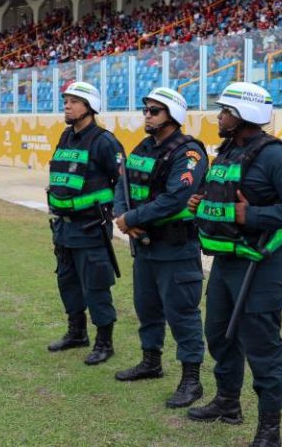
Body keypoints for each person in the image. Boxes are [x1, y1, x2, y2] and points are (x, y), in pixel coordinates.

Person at [186, 83, 282, 447]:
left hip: (261, 266)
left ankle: (269, 428)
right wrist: (202, 202)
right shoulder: (227, 152)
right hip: (226, 263)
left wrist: (253, 214)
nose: (219, 117)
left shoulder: (276, 157)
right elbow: (223, 198)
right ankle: (228, 403)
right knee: (218, 335)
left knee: (262, 347)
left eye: (225, 111)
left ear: (244, 116)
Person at [112, 87, 208, 409]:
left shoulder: (189, 153)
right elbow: (121, 185)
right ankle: (150, 362)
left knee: (182, 314)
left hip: (175, 247)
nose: (147, 116)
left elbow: (175, 199)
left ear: (172, 115)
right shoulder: (142, 147)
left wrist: (131, 218)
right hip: (145, 247)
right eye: (146, 110)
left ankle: (191, 380)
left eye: (154, 111)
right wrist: (121, 215)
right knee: (147, 308)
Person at [46, 81, 124, 366]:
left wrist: (114, 213)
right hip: (64, 228)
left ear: (89, 107)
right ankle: (76, 332)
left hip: (91, 229)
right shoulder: (66, 137)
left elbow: (121, 183)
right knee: (67, 282)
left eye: (73, 101)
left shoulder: (104, 141)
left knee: (96, 286)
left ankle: (105, 342)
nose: (67, 105)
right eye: (65, 100)